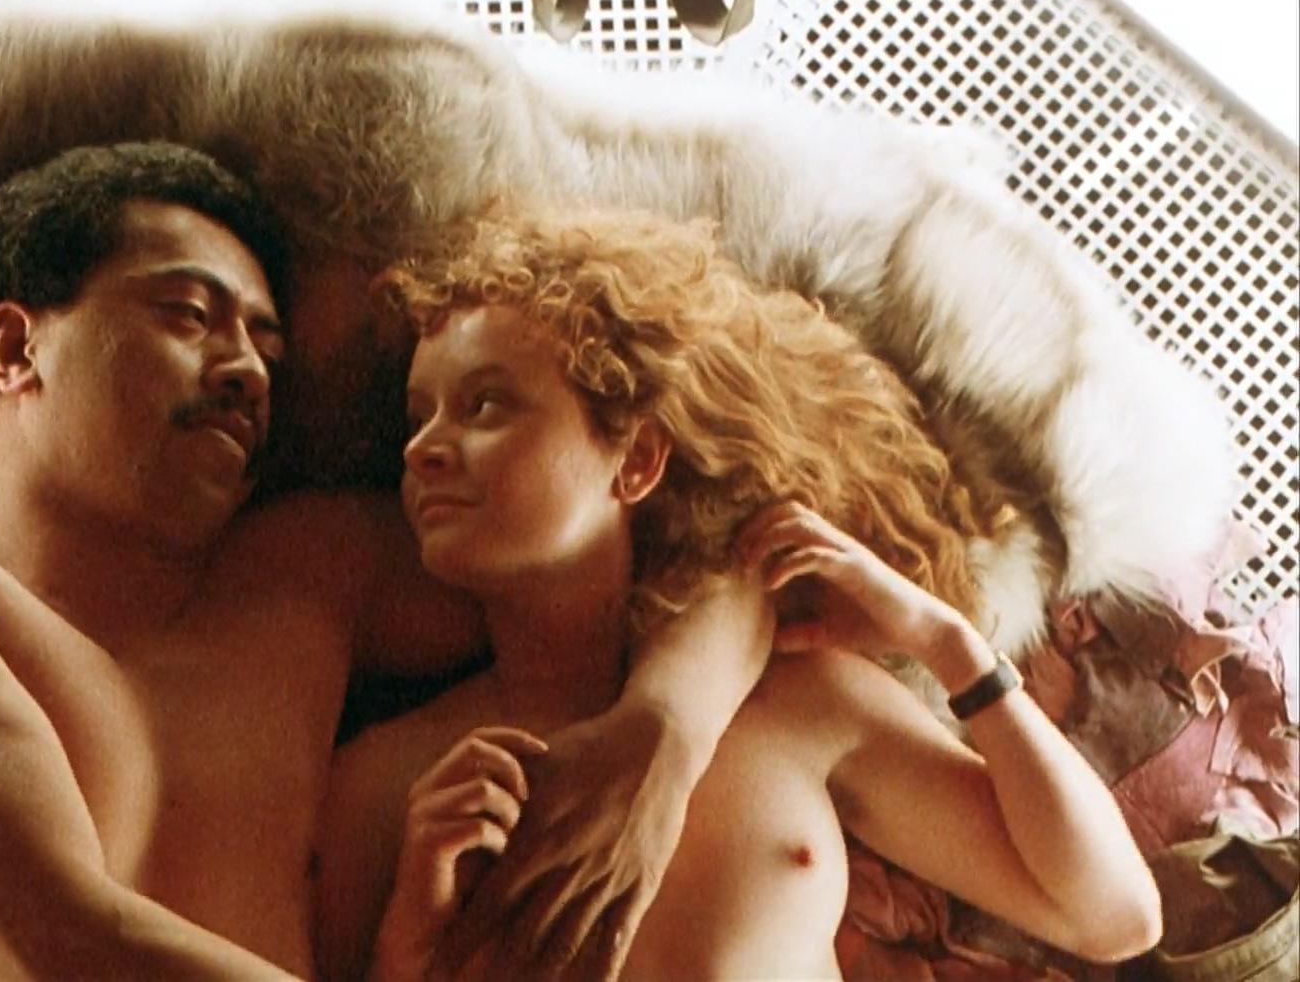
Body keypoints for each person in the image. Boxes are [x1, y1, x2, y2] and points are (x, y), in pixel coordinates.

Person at [0, 144, 760, 978]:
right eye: (189, 314)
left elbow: (711, 540)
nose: (247, 372)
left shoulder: (307, 582)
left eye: (267, 347)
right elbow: (61, 952)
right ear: (15, 348)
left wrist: (661, 735)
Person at [314, 210, 1164, 980]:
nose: (425, 448)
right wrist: (403, 958)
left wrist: (947, 644)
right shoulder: (389, 789)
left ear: (637, 460)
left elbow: (1115, 916)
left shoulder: (803, 704)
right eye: (418, 417)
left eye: (485, 405)